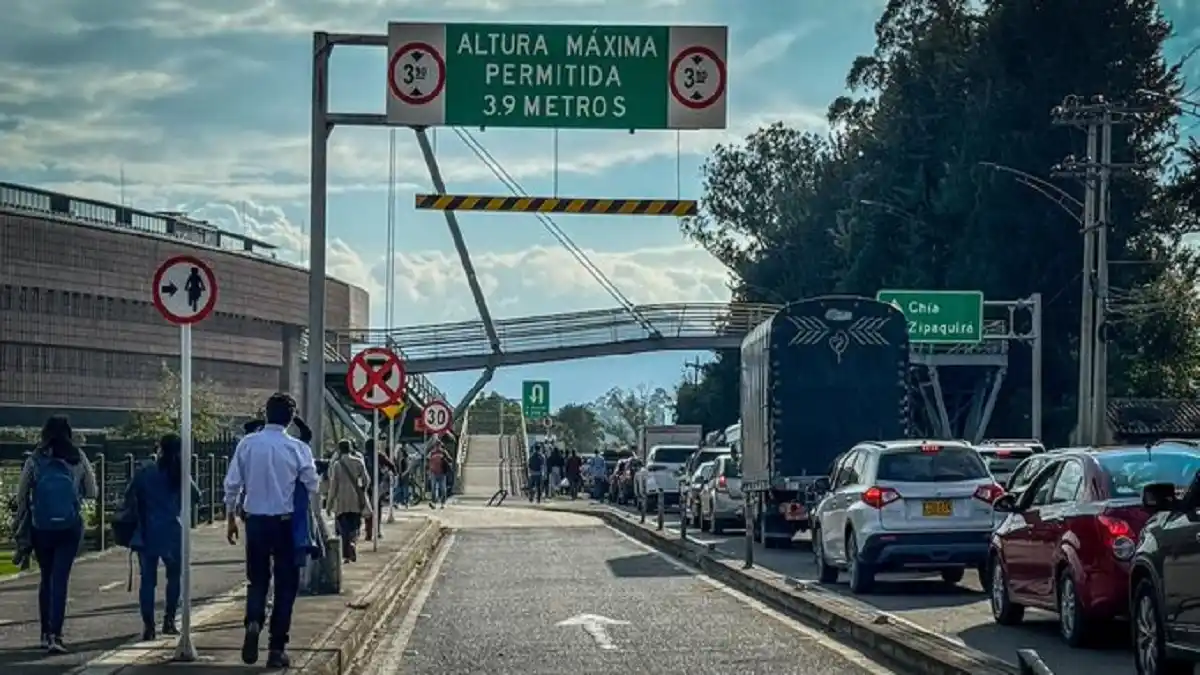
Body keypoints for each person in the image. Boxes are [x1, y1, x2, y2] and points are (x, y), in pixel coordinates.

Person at [223, 393, 318, 668]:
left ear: (266, 414)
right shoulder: (298, 448)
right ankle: (276, 649)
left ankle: (253, 621)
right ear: (291, 419)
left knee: (257, 580)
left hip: (254, 521)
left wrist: (231, 517)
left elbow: (232, 484)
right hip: (285, 524)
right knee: (286, 587)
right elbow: (312, 484)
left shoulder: (247, 444)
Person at [14, 415, 98, 653]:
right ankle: (56, 635)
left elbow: (21, 494)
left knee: (46, 577)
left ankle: (44, 633)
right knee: (60, 579)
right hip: (70, 526)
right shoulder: (77, 457)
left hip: (42, 527)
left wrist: (22, 520)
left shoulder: (35, 459)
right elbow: (92, 491)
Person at [128, 433, 201, 640]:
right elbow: (197, 497)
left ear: (159, 448)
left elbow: (130, 495)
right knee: (174, 577)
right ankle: (169, 620)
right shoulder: (179, 472)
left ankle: (148, 626)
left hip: (147, 531)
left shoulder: (145, 471)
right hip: (173, 531)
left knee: (147, 580)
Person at [324, 440, 369, 563]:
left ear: (339, 450)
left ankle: (346, 555)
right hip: (355, 499)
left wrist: (329, 505)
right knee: (355, 525)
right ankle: (353, 543)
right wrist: (362, 489)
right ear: (350, 448)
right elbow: (366, 480)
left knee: (344, 529)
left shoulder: (337, 465)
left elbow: (333, 486)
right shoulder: (358, 462)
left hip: (341, 501)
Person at [362, 440, 397, 541]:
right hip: (378, 484)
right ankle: (377, 531)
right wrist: (393, 475)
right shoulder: (379, 455)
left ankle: (368, 533)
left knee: (368, 508)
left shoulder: (364, 456)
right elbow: (391, 465)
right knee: (377, 508)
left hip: (366, 486)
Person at [426, 442, 452, 508]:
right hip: (433, 473)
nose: (437, 447)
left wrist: (445, 458)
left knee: (443, 489)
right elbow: (427, 461)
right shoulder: (431, 452)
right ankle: (434, 503)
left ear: (441, 446)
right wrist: (428, 470)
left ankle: (443, 503)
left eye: (438, 446)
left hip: (442, 473)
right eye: (436, 446)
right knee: (433, 489)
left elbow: (450, 459)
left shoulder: (443, 452)